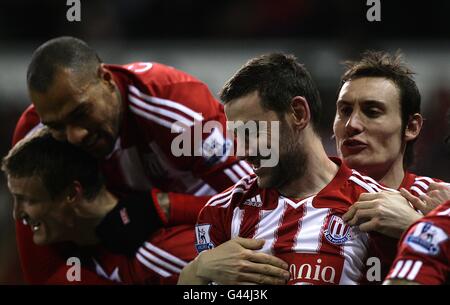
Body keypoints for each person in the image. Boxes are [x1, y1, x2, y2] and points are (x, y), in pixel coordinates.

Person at [13, 36, 268, 284]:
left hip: (196, 233)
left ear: (106, 79)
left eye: (81, 113)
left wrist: (166, 207)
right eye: (57, 126)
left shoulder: (178, 111)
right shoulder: (34, 134)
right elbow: (43, 271)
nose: (75, 136)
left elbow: (264, 206)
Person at [178, 53, 394, 285]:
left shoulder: (373, 207)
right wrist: (196, 272)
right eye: (237, 136)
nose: (241, 152)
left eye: (251, 132)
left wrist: (413, 227)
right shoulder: (222, 211)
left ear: (298, 114)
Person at [2, 129, 199, 284]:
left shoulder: (160, 253)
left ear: (72, 194)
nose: (17, 214)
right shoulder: (80, 261)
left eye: (29, 200)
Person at [332, 50, 449, 279]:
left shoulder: (442, 204)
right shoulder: (297, 199)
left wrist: (416, 227)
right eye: (344, 111)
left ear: (412, 127)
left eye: (372, 112)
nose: (352, 124)